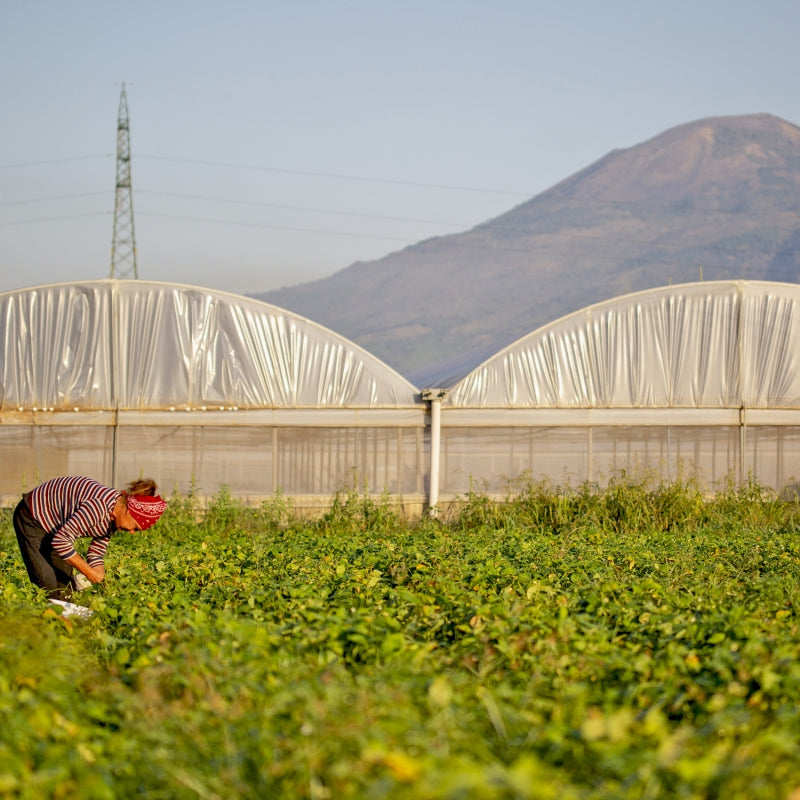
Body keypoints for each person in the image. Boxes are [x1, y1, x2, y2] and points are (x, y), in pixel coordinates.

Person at [13, 476, 167, 599]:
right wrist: (88, 572)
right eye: (135, 527)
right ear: (129, 512)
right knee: (48, 587)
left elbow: (97, 550)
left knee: (65, 588)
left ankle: (63, 631)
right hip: (32, 515)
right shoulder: (98, 508)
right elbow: (61, 542)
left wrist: (99, 573)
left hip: (56, 526)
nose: (132, 532)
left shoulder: (116, 514)